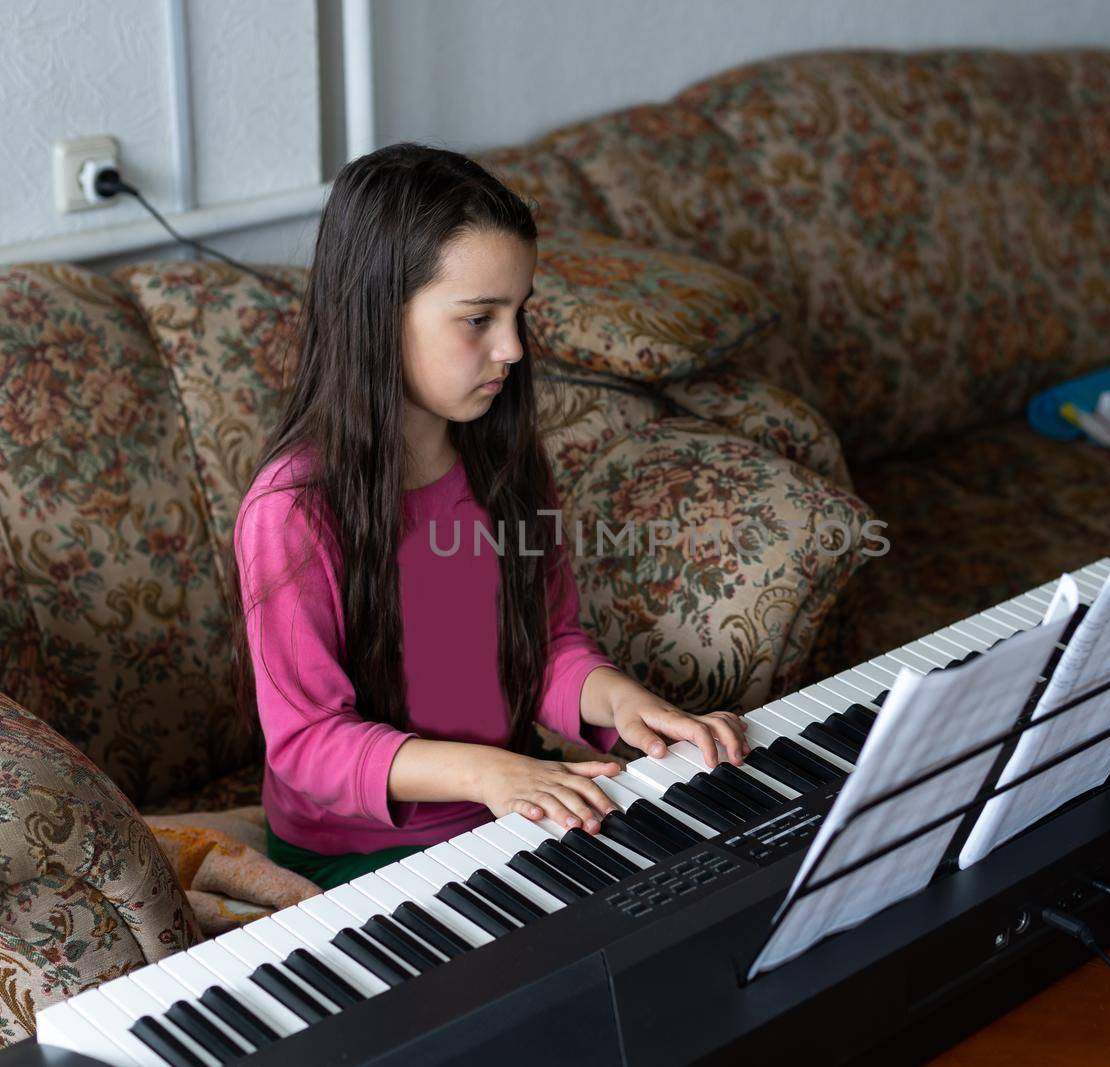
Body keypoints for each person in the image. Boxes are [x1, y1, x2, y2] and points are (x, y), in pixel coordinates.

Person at [230, 143, 749, 891]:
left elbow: (543, 646)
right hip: (357, 848)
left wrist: (626, 704)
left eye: (518, 314)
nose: (510, 348)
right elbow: (308, 744)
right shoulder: (293, 510)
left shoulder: (506, 461)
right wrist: (495, 774)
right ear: (377, 315)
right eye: (478, 318)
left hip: (506, 803)